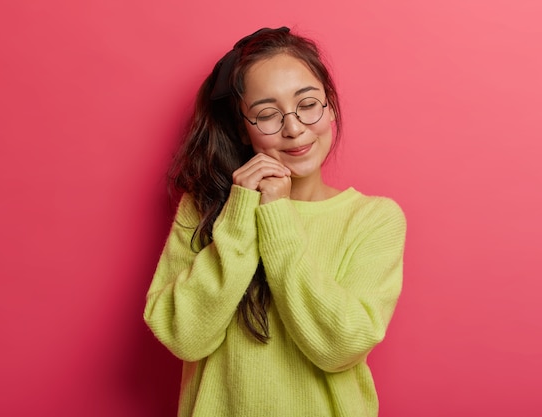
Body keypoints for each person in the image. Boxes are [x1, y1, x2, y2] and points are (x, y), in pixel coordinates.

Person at [143, 26, 407, 417]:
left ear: (330, 106)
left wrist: (277, 216)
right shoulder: (203, 209)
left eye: (308, 104)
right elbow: (183, 336)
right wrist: (240, 213)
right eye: (267, 114)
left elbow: (342, 346)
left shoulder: (374, 218)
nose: (294, 128)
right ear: (241, 129)